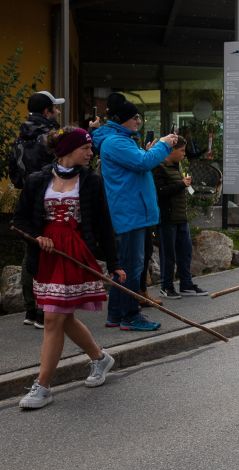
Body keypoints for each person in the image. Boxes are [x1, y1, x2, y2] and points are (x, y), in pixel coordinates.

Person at [12, 127, 125, 410]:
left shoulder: (91, 182)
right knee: (62, 317)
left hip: (74, 252)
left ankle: (44, 386)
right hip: (48, 255)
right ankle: (100, 359)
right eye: (85, 148)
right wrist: (37, 237)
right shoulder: (38, 180)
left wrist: (114, 264)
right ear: (68, 150)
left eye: (90, 148)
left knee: (53, 318)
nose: (90, 153)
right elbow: (20, 219)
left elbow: (103, 223)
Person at [92, 94, 178, 331]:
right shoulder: (116, 142)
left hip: (132, 211)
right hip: (129, 212)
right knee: (131, 266)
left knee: (128, 266)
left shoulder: (120, 139)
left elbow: (140, 161)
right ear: (122, 120)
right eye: (134, 117)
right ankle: (130, 315)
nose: (138, 121)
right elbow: (143, 163)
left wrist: (151, 151)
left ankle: (116, 314)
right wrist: (163, 145)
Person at [8, 91, 65, 329]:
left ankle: (31, 309)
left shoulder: (20, 138)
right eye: (55, 108)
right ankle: (45, 309)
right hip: (49, 197)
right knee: (49, 250)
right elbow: (65, 164)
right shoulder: (51, 137)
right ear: (46, 111)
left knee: (30, 251)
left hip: (26, 199)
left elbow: (15, 175)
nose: (58, 112)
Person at [153, 136, 208, 299]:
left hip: (181, 217)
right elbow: (160, 192)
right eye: (181, 150)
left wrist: (184, 185)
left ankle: (186, 284)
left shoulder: (177, 166)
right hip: (167, 218)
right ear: (171, 150)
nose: (184, 154)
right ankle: (166, 286)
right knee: (168, 254)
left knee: (185, 252)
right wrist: (181, 184)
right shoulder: (158, 167)